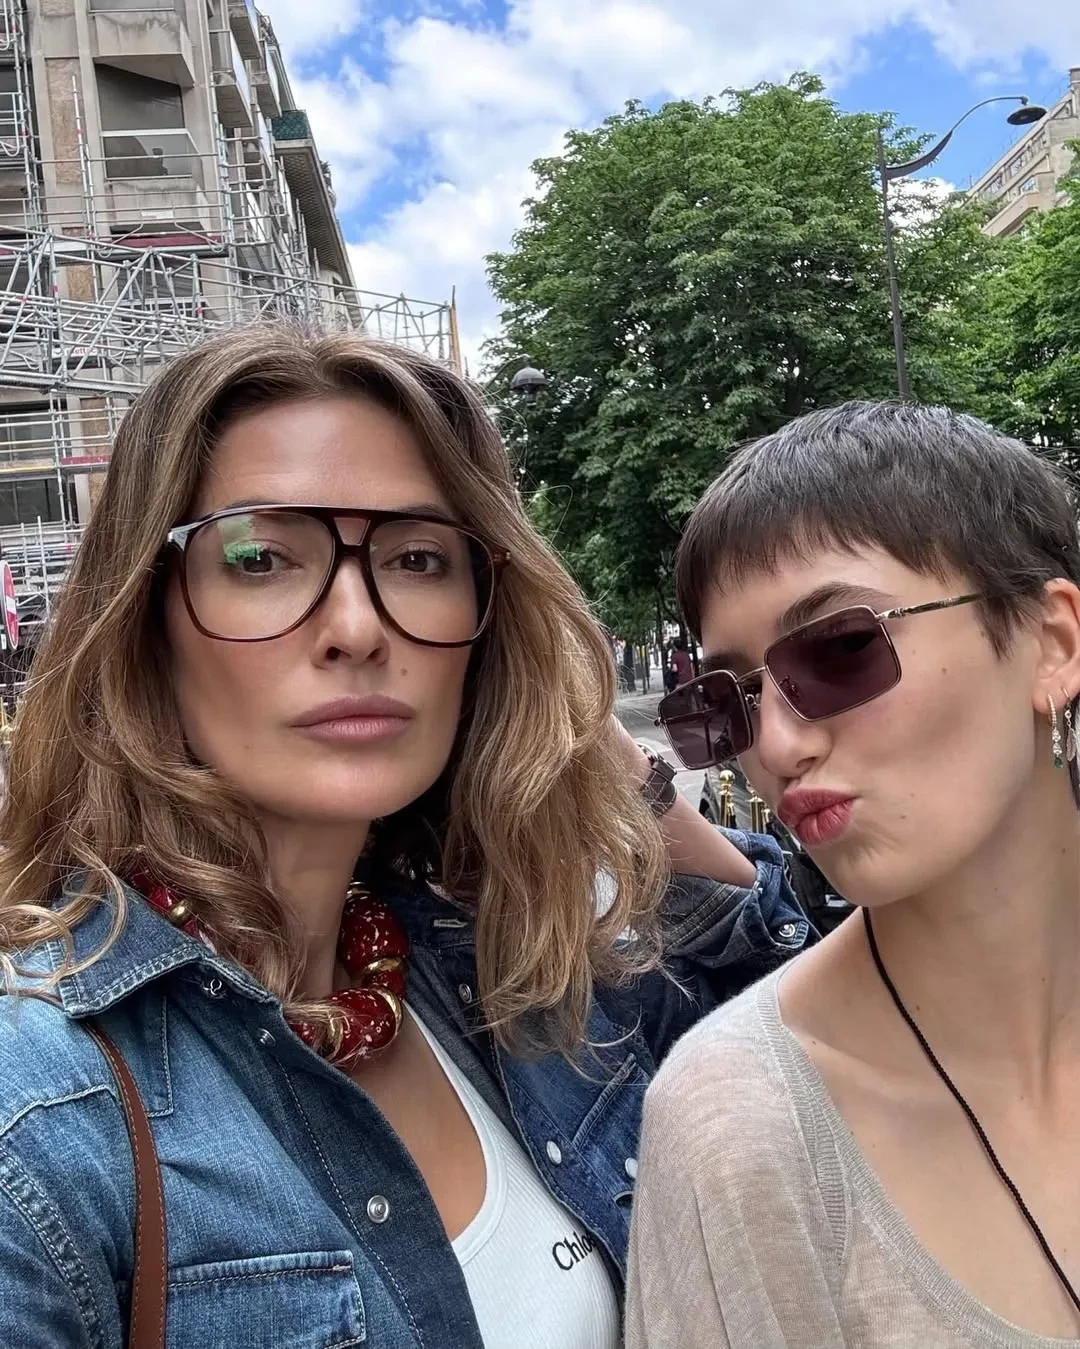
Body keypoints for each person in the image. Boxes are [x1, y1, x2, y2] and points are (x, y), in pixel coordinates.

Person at [0, 324, 809, 1349]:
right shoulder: (38, 1123)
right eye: (260, 557)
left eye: (419, 558)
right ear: (145, 621)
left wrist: (570, 716)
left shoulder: (485, 971)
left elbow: (783, 1007)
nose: (357, 626)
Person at [627, 401, 1080, 1347]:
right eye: (728, 701)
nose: (777, 745)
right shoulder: (743, 1128)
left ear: (1052, 644)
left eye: (840, 649)